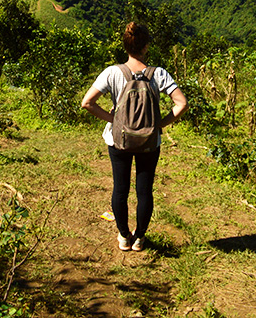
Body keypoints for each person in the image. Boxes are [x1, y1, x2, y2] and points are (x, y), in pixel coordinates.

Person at [81, 21, 188, 252]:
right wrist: (159, 125)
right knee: (144, 190)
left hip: (118, 141)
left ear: (125, 46)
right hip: (150, 142)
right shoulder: (158, 74)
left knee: (120, 188)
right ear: (146, 46)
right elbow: (182, 103)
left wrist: (113, 120)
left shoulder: (112, 72)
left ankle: (123, 236)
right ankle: (139, 238)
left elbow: (87, 103)